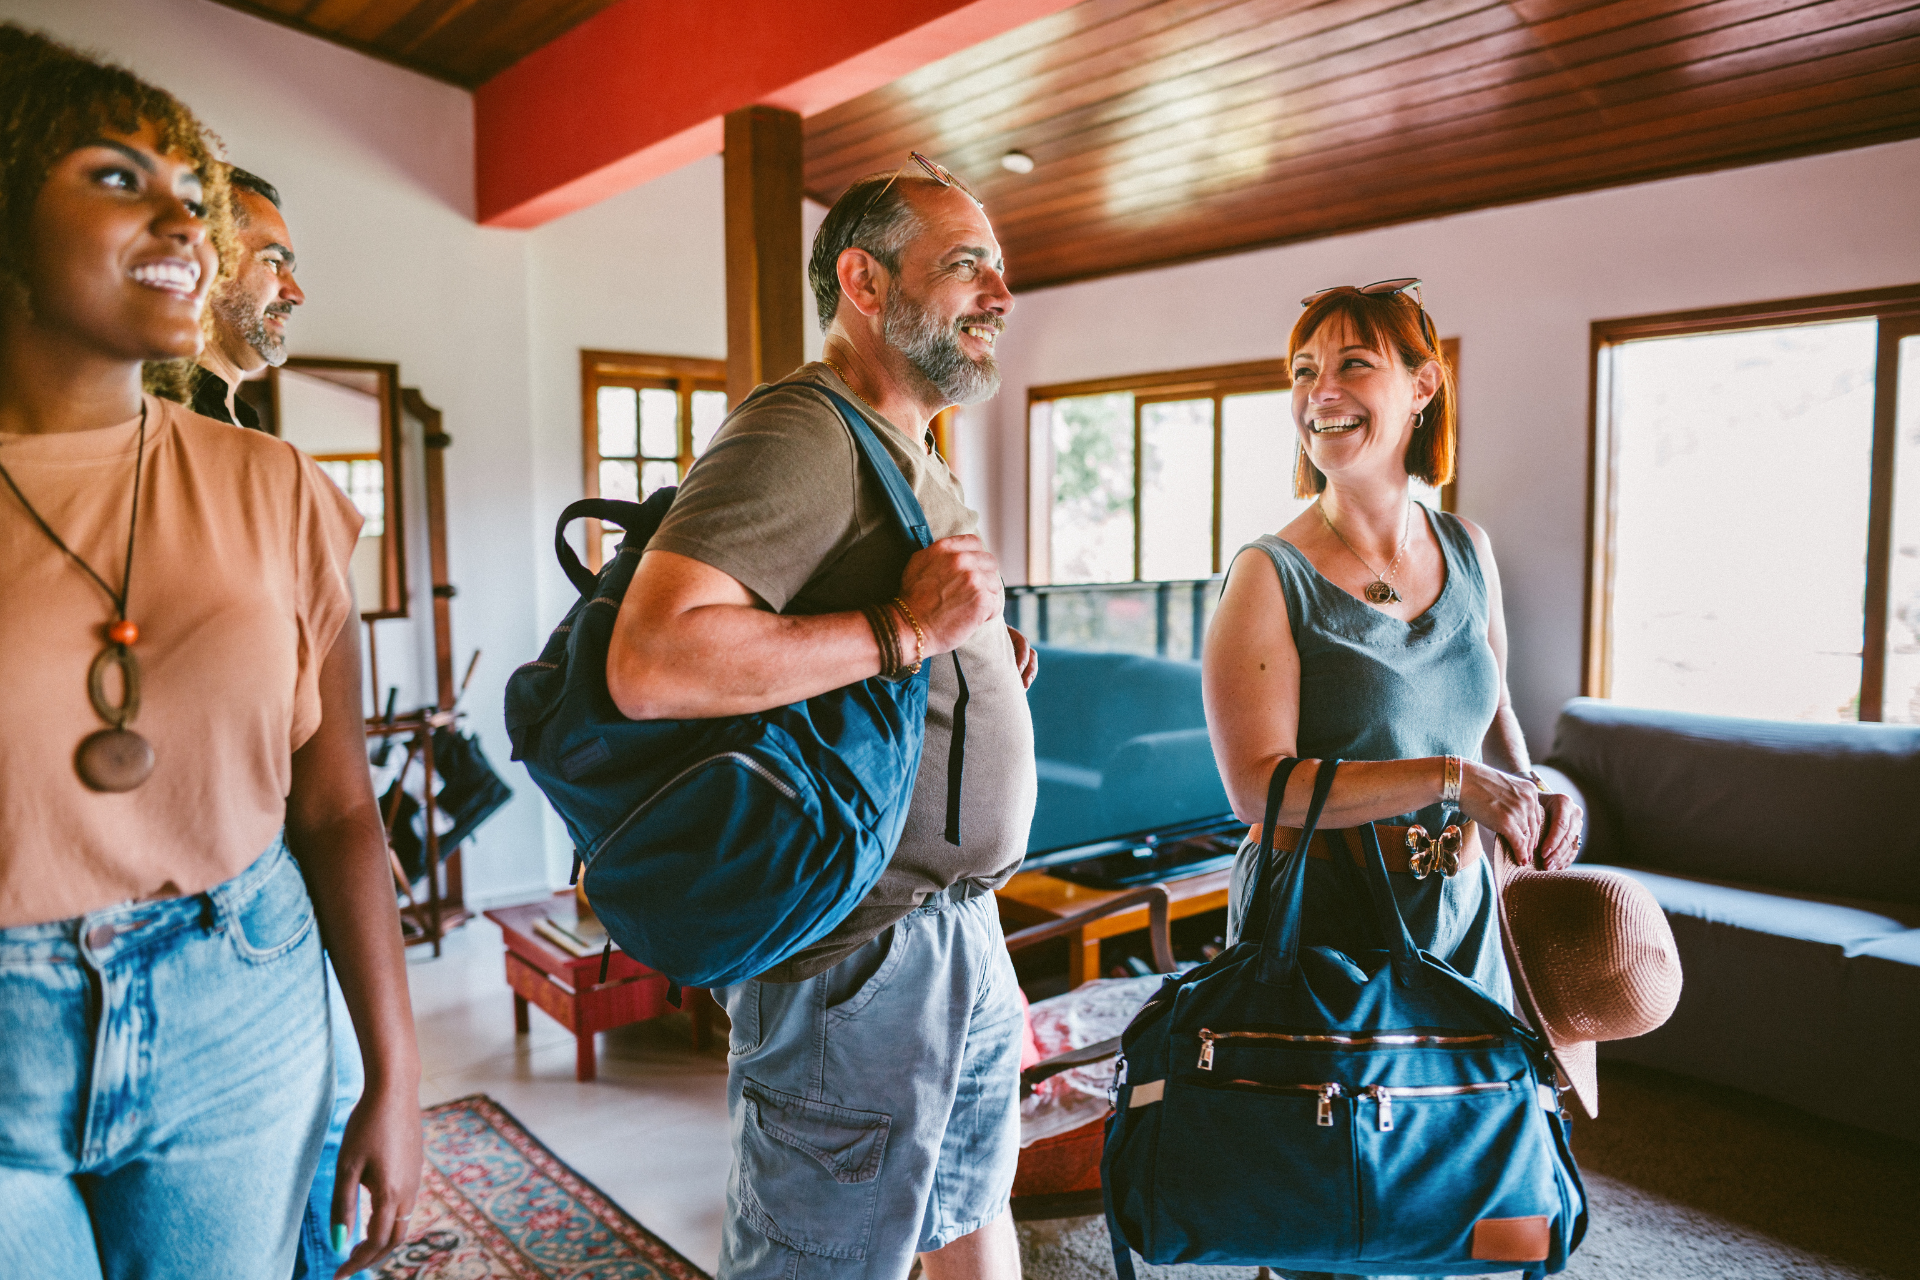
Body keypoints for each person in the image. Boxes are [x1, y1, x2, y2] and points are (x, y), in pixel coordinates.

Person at [0, 25, 419, 1280]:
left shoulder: (276, 484)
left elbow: (341, 808)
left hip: (238, 996)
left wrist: (395, 1074)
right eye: (122, 179)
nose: (190, 226)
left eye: (195, 196)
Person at [604, 154, 1037, 1280]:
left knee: (966, 1215)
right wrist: (906, 632)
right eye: (966, 266)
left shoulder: (907, 447)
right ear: (866, 280)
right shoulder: (803, 428)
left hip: (955, 931)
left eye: (1001, 268)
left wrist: (975, 670)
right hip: (863, 962)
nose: (1000, 293)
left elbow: (892, 630)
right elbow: (651, 661)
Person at [1201, 279, 1583, 1280]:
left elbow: (1500, 720)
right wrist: (1451, 779)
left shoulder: (1470, 551)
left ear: (1423, 386)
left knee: (1482, 1209)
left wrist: (1543, 790)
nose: (1319, 390)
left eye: (1351, 363)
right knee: (1337, 1210)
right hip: (1325, 936)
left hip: (1461, 930)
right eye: (1303, 370)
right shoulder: (1266, 575)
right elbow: (1261, 792)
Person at [188, 166, 302, 429]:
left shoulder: (245, 423)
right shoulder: (161, 418)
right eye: (273, 262)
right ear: (206, 262)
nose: (296, 295)